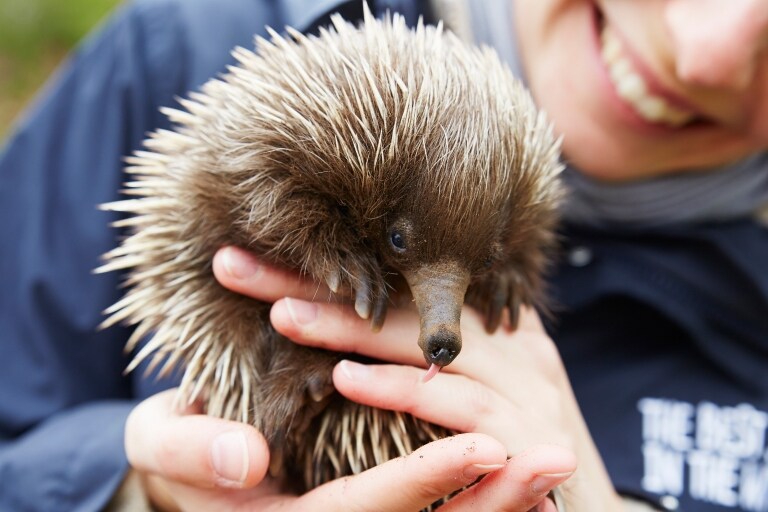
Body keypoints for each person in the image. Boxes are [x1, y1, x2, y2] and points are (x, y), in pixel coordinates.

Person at [0, 0, 766, 510]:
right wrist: (139, 489)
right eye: (403, 240)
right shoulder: (182, 44)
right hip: (270, 372)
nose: (704, 55)